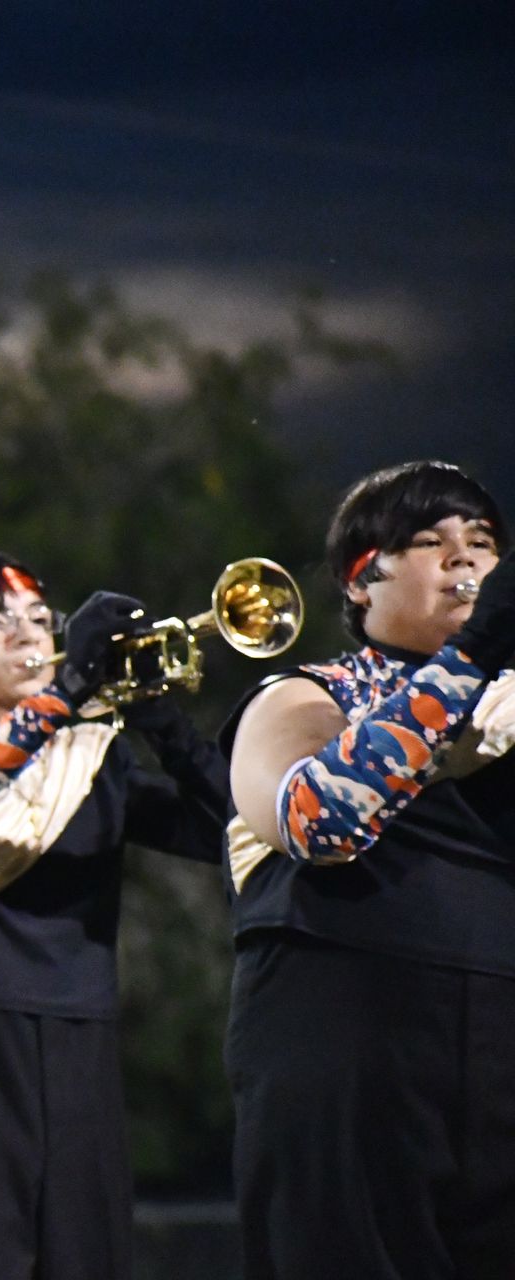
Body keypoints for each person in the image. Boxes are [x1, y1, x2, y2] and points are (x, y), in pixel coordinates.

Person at [0, 552, 228, 1280]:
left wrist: (165, 725)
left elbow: (231, 831)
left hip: (81, 1044)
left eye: (39, 620)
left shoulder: (93, 758)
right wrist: (63, 692)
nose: (27, 636)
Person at [220, 460, 515, 1279]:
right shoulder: (307, 696)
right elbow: (319, 818)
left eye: (484, 543)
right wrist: (475, 654)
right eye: (429, 542)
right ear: (359, 586)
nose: (465, 560)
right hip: (347, 1038)